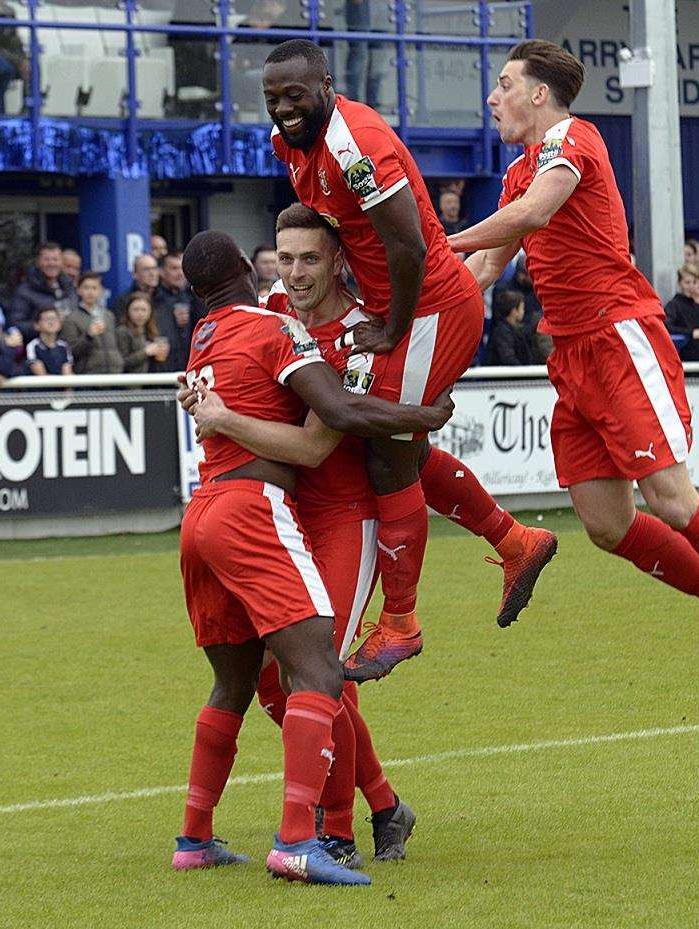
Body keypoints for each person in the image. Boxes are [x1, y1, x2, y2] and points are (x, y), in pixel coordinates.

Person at [452, 40, 699, 700]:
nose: (493, 98)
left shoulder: (572, 139)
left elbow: (535, 214)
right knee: (607, 525)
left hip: (619, 340)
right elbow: (484, 270)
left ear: (538, 93)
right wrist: (422, 308)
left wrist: (439, 241)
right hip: (572, 358)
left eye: (503, 85)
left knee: (670, 499)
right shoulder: (516, 173)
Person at [169, 230, 451, 885]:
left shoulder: (203, 339)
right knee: (321, 670)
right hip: (255, 509)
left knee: (240, 682)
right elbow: (334, 415)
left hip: (202, 511)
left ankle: (195, 835)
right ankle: (306, 837)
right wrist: (422, 413)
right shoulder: (275, 327)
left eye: (305, 258)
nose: (292, 271)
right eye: (282, 259)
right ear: (252, 266)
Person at [265, 40, 553, 681]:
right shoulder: (296, 144)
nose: (284, 109)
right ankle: (515, 541)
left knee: (388, 456)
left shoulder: (355, 145)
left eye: (295, 96)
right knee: (408, 450)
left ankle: (401, 624)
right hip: (405, 309)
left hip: (427, 311)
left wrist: (391, 326)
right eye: (273, 99)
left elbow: (412, 245)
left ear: (327, 86)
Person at [62, 272, 123, 374]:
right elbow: (70, 351)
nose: (90, 292)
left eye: (94, 288)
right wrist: (89, 336)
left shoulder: (109, 315)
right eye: (86, 288)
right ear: (79, 290)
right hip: (89, 374)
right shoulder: (72, 318)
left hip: (114, 372)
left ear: (100, 291)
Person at [10, 242, 76, 333]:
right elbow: (16, 324)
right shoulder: (24, 291)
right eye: (46, 259)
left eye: (55, 259)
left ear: (61, 262)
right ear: (38, 262)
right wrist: (41, 326)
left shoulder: (69, 286)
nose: (51, 263)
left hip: (70, 344)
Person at [153, 251, 203, 371]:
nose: (180, 273)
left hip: (189, 368)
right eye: (174, 269)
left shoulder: (194, 297)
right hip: (161, 371)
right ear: (161, 272)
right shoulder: (152, 298)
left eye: (182, 269)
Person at [664, 264, 699, 362]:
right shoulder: (674, 305)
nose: (691, 286)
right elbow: (667, 327)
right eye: (687, 282)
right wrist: (692, 333)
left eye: (695, 282)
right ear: (680, 283)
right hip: (685, 359)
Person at [115, 294, 170, 373]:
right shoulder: (122, 331)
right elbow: (122, 362)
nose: (140, 314)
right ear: (128, 311)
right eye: (136, 310)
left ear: (150, 311)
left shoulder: (152, 330)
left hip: (152, 380)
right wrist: (146, 352)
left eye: (144, 310)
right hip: (131, 381)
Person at [484, 287, 534, 365]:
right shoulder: (502, 332)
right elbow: (508, 358)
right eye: (522, 308)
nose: (523, 311)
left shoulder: (515, 330)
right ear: (514, 311)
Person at [25, 306, 74, 376]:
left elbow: (67, 371)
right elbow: (41, 374)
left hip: (62, 385)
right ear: (37, 325)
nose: (51, 322)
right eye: (46, 319)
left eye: (54, 319)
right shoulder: (33, 346)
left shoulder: (64, 346)